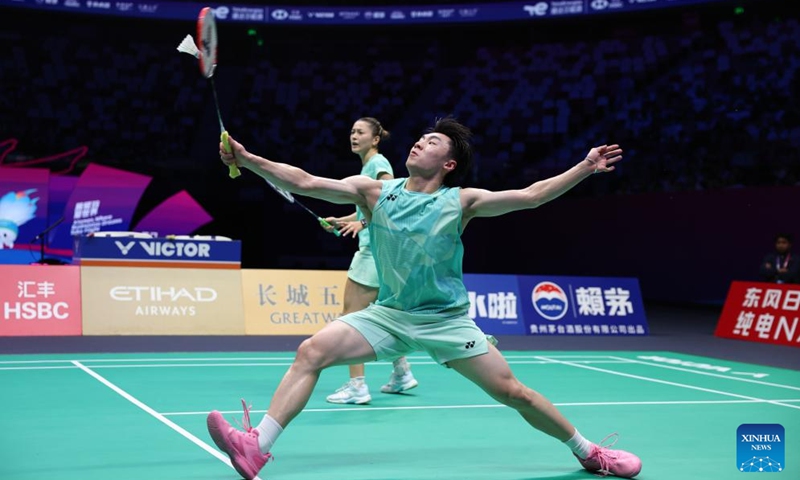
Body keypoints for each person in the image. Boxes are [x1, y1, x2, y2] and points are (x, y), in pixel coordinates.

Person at [208, 117, 642, 479]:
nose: (419, 142)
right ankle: (257, 446)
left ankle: (589, 452)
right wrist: (248, 160)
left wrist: (584, 167)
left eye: (432, 141)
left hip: (446, 321)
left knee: (514, 393)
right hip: (389, 315)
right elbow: (304, 181)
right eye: (420, 137)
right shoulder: (375, 192)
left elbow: (530, 197)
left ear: (448, 163)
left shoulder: (462, 201)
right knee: (311, 352)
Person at [321, 117, 418, 404]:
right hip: (382, 255)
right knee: (384, 315)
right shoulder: (367, 167)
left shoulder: (378, 165)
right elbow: (369, 206)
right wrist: (342, 220)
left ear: (375, 138)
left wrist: (363, 224)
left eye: (360, 132)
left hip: (371, 253)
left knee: (351, 317)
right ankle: (401, 373)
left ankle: (357, 386)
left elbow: (391, 200)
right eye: (351, 131)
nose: (353, 136)